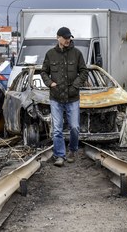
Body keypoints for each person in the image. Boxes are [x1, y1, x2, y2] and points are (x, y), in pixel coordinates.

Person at [40, 27, 88, 167]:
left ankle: (72, 151)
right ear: (58, 38)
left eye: (69, 38)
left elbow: (84, 71)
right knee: (57, 129)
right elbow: (43, 72)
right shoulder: (50, 54)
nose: (68, 40)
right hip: (56, 97)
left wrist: (75, 85)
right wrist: (50, 83)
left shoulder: (77, 53)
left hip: (73, 97)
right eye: (65, 38)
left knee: (74, 127)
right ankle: (59, 155)